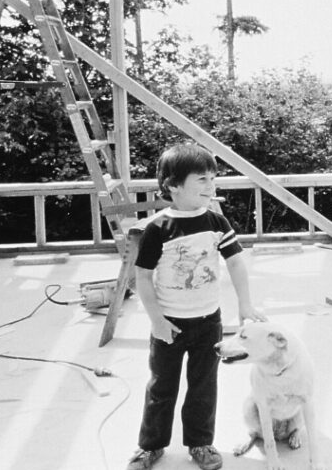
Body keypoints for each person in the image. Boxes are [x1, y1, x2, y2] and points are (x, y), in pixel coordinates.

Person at [127, 142, 266, 470]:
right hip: (169, 323)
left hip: (208, 322)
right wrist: (157, 320)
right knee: (161, 387)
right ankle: (151, 446)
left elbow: (236, 263)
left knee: (204, 385)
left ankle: (201, 443)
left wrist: (245, 304)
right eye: (201, 179)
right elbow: (143, 278)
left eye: (213, 179)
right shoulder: (157, 228)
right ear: (173, 186)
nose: (211, 186)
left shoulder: (216, 222)